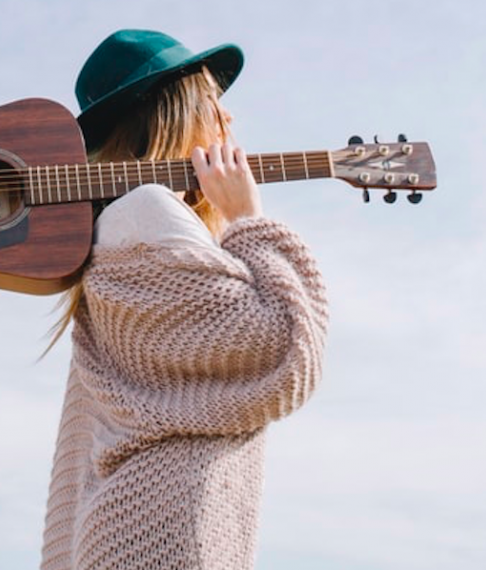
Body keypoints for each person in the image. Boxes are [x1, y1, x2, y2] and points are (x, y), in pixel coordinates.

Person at [40, 29, 329, 570]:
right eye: (214, 102)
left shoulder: (113, 233)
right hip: (164, 532)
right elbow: (283, 348)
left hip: (130, 529)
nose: (229, 118)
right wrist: (247, 219)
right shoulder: (147, 211)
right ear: (175, 111)